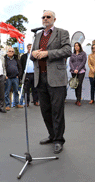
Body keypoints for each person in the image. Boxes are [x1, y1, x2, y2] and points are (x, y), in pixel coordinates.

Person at [30, 10, 72, 154]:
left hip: (56, 78)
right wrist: (33, 54)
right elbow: (32, 55)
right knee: (45, 110)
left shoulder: (62, 33)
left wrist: (48, 53)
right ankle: (52, 135)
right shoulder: (38, 35)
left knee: (57, 110)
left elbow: (67, 50)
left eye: (48, 17)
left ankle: (59, 140)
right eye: (43, 17)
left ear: (54, 19)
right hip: (40, 78)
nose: (45, 19)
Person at [69, 42, 87, 106]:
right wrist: (74, 69)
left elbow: (83, 62)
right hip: (73, 72)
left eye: (77, 46)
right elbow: (70, 62)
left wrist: (78, 69)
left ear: (80, 46)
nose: (76, 47)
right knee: (75, 85)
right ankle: (77, 99)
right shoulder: (72, 54)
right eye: (75, 46)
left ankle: (79, 100)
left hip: (81, 71)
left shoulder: (83, 53)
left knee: (79, 84)